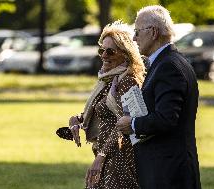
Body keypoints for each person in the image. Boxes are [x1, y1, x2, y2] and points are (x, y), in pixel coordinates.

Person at [116, 5, 202, 189]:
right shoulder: (166, 62)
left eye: (137, 31)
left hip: (168, 172)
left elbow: (167, 118)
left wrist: (131, 124)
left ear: (153, 32)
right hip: (165, 168)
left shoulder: (168, 67)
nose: (134, 38)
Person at [68, 21, 145, 189]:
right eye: (102, 50)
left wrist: (101, 156)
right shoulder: (107, 81)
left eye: (110, 51)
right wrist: (78, 120)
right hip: (105, 155)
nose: (104, 55)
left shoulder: (129, 81)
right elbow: (101, 111)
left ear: (126, 54)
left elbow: (128, 123)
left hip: (121, 160)